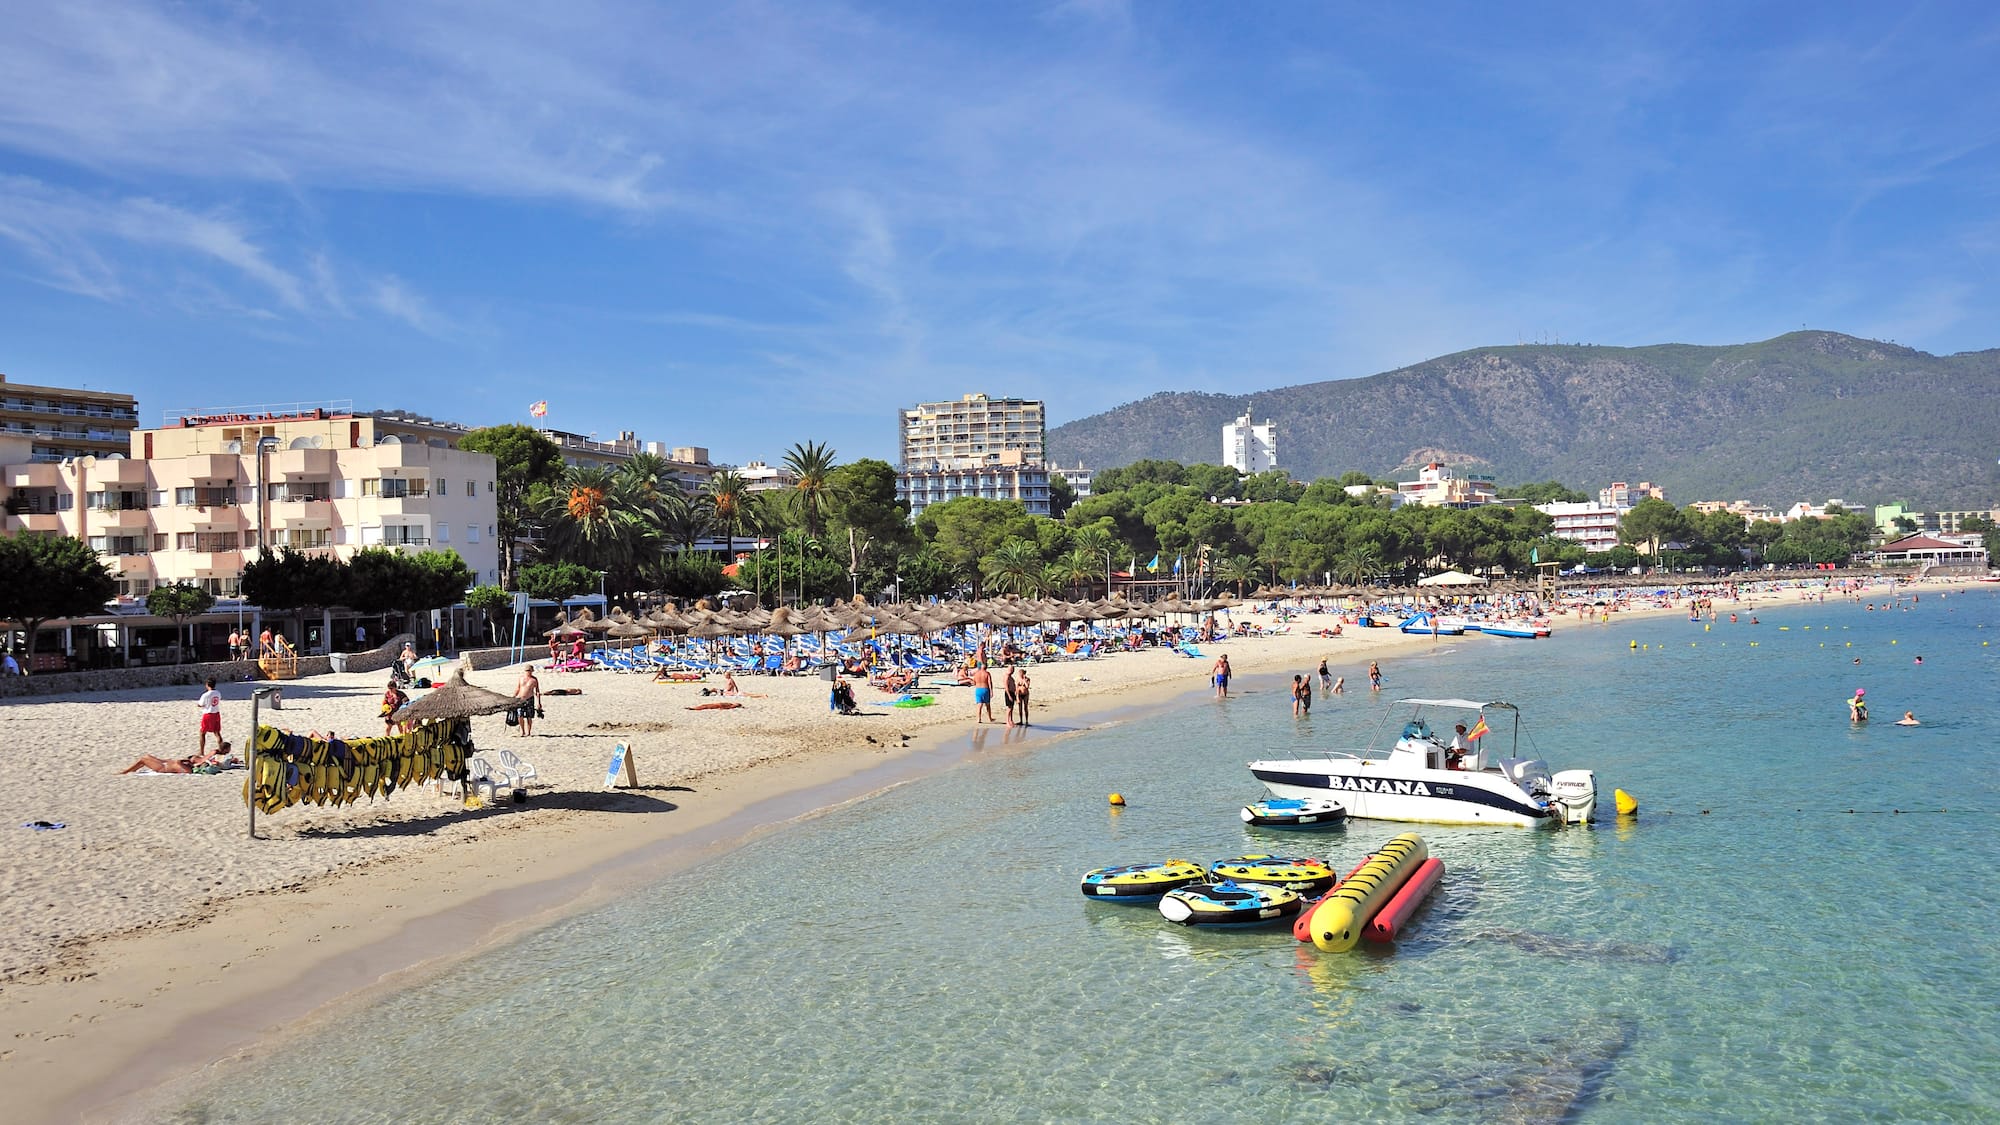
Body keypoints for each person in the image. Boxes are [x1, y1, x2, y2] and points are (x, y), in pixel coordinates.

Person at [197, 678, 224, 753]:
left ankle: (201, 751)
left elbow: (200, 704)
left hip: (208, 714)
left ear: (207, 685)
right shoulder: (218, 693)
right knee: (217, 732)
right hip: (216, 713)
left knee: (202, 732)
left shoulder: (205, 695)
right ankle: (221, 749)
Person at [514, 665, 542, 736]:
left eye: (529, 671)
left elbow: (537, 691)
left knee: (529, 716)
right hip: (520, 698)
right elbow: (518, 688)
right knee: (520, 715)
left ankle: (528, 732)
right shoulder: (521, 678)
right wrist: (513, 696)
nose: (528, 672)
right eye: (526, 671)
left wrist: (539, 702)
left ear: (532, 671)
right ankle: (522, 731)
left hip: (530, 699)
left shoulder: (534, 679)